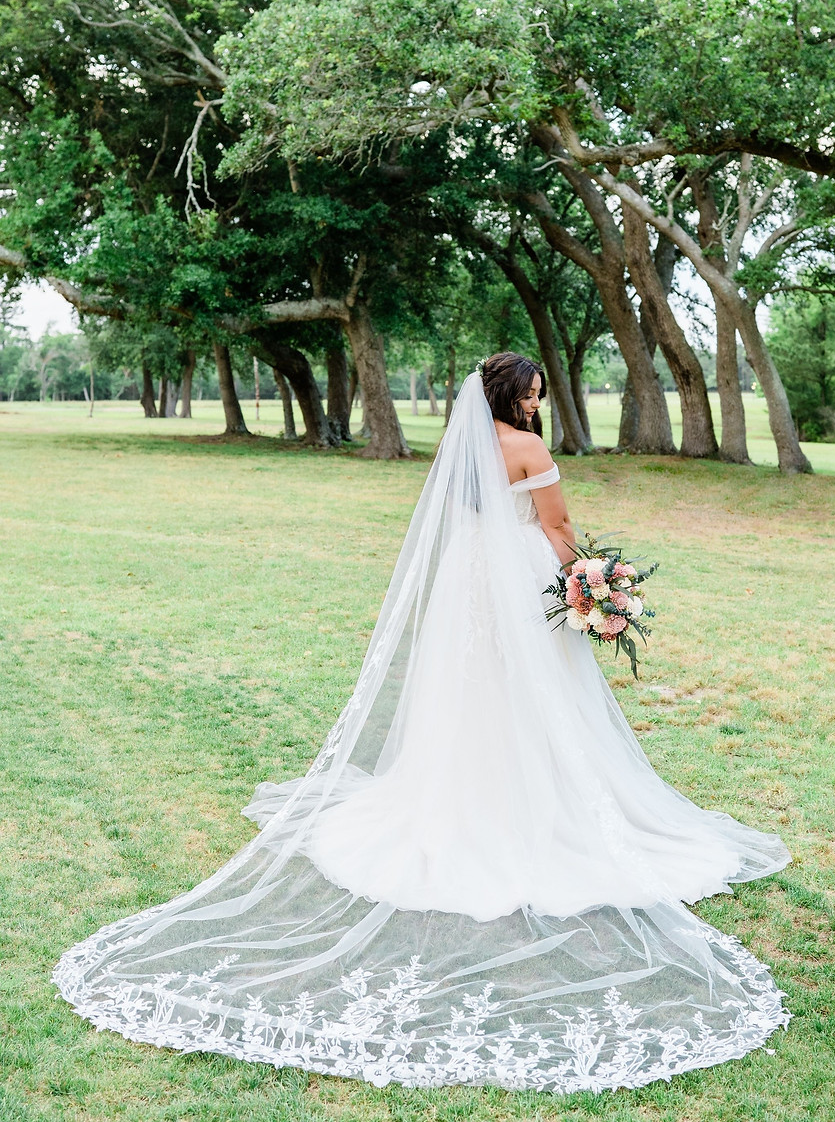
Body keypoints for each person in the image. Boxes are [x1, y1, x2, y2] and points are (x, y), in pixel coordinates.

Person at [54, 352, 791, 1093]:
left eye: (540, 397)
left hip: (467, 582)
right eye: (531, 395)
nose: (538, 406)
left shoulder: (464, 448)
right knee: (534, 698)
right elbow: (558, 524)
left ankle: (461, 798)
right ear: (509, 396)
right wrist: (597, 587)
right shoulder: (528, 449)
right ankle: (527, 811)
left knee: (468, 695)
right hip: (518, 583)